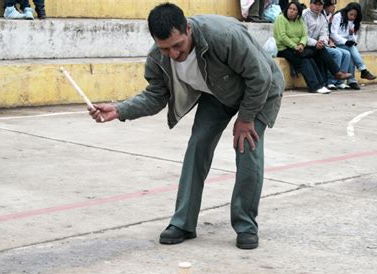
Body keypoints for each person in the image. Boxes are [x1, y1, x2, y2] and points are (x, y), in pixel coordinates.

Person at [89, 3, 284, 250]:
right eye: (165, 48)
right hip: (217, 94)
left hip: (259, 93)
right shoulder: (158, 57)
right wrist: (119, 110)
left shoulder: (223, 35)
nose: (173, 54)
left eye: (177, 45)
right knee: (197, 146)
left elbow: (260, 77)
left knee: (247, 151)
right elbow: (156, 96)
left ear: (188, 29)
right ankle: (183, 223)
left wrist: (245, 119)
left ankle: (246, 225)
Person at [274, 1, 333, 94]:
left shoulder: (299, 21)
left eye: (294, 9)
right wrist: (295, 46)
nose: (291, 11)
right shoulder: (281, 18)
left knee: (310, 59)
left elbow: (304, 35)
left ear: (298, 12)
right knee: (303, 61)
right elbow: (282, 37)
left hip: (298, 47)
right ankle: (314, 86)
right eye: (290, 9)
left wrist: (301, 44)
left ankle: (321, 85)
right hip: (284, 49)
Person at [302, 0, 352, 91]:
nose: (317, 6)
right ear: (310, 4)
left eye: (320, 4)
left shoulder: (322, 17)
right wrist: (315, 43)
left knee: (343, 52)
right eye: (315, 4)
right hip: (304, 44)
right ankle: (334, 76)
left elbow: (324, 33)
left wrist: (322, 41)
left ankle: (333, 79)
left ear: (322, 6)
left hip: (317, 45)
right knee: (330, 53)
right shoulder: (304, 15)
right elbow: (302, 35)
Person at [330, 2, 377, 82]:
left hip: (345, 45)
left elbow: (353, 38)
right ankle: (362, 71)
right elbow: (333, 34)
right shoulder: (338, 16)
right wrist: (346, 42)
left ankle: (352, 81)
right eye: (351, 14)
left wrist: (351, 35)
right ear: (347, 11)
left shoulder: (353, 21)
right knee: (351, 49)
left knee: (351, 52)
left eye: (355, 16)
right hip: (336, 43)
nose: (352, 17)